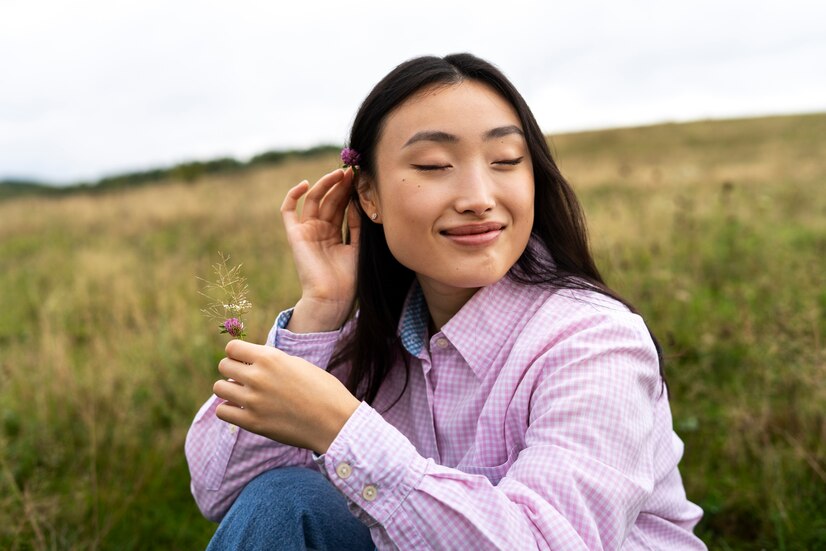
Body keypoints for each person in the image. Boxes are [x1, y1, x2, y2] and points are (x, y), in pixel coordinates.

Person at [185, 53, 706, 550]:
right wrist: (321, 308)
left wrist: (342, 429)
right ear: (368, 196)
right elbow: (222, 493)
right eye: (434, 165)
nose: (479, 196)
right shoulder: (374, 337)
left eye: (505, 160)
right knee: (284, 502)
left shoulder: (596, 342)